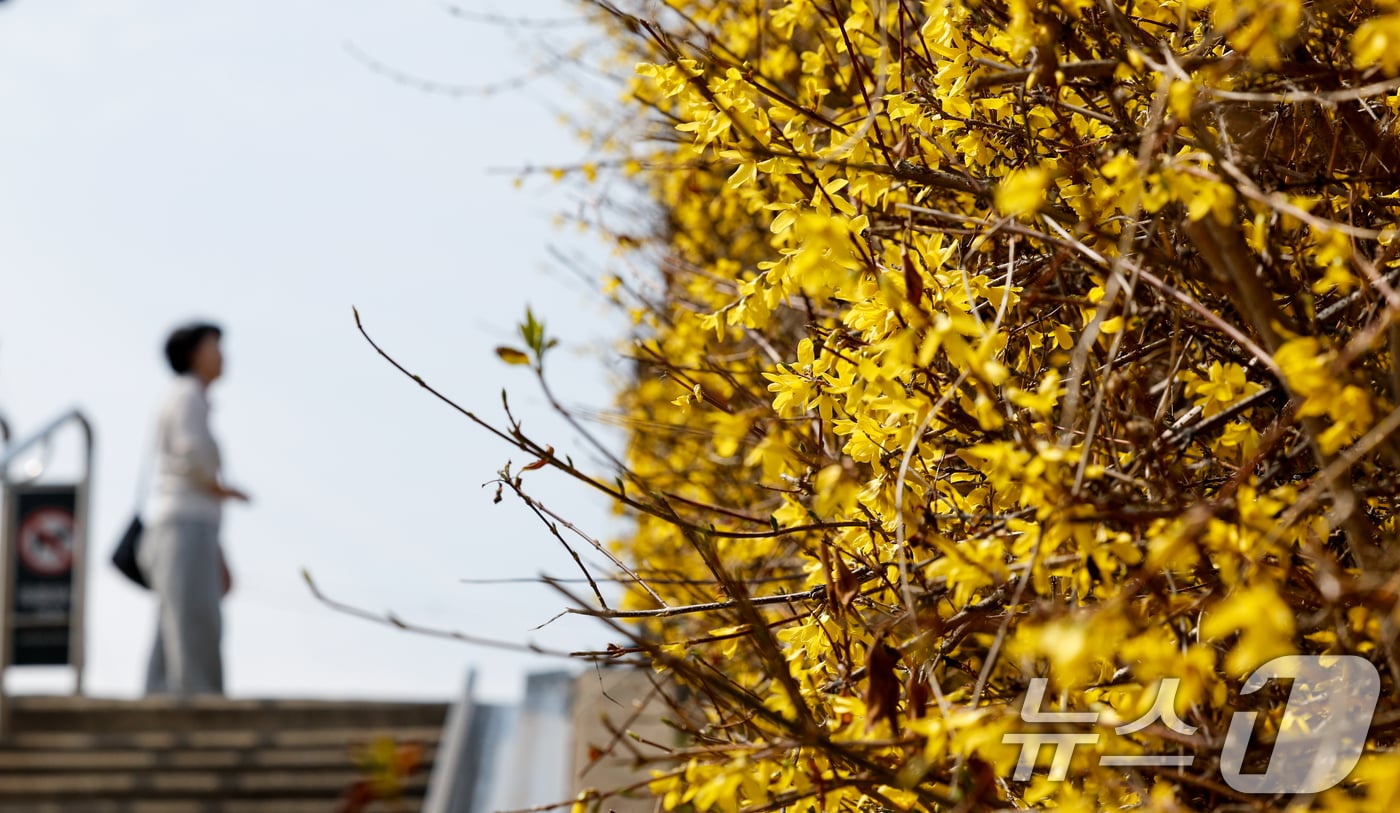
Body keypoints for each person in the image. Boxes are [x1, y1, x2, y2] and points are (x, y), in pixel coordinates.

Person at [140, 322, 249, 695]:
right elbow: (191, 455)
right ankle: (200, 702)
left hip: (188, 523)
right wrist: (221, 488)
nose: (221, 355)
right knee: (193, 619)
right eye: (213, 346)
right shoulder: (188, 395)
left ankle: (160, 697)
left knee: (175, 619)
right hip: (184, 522)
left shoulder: (189, 397)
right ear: (192, 354)